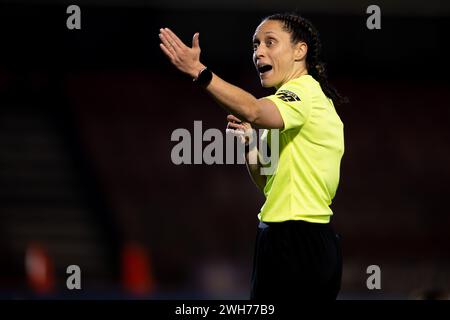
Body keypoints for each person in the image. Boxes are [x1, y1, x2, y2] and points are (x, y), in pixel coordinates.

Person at [159, 12, 346, 300]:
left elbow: (254, 110)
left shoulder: (303, 93)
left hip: (298, 241)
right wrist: (250, 146)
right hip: (283, 236)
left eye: (270, 42)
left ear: (300, 51)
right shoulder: (289, 110)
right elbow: (269, 186)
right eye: (255, 44)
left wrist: (200, 72)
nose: (259, 51)